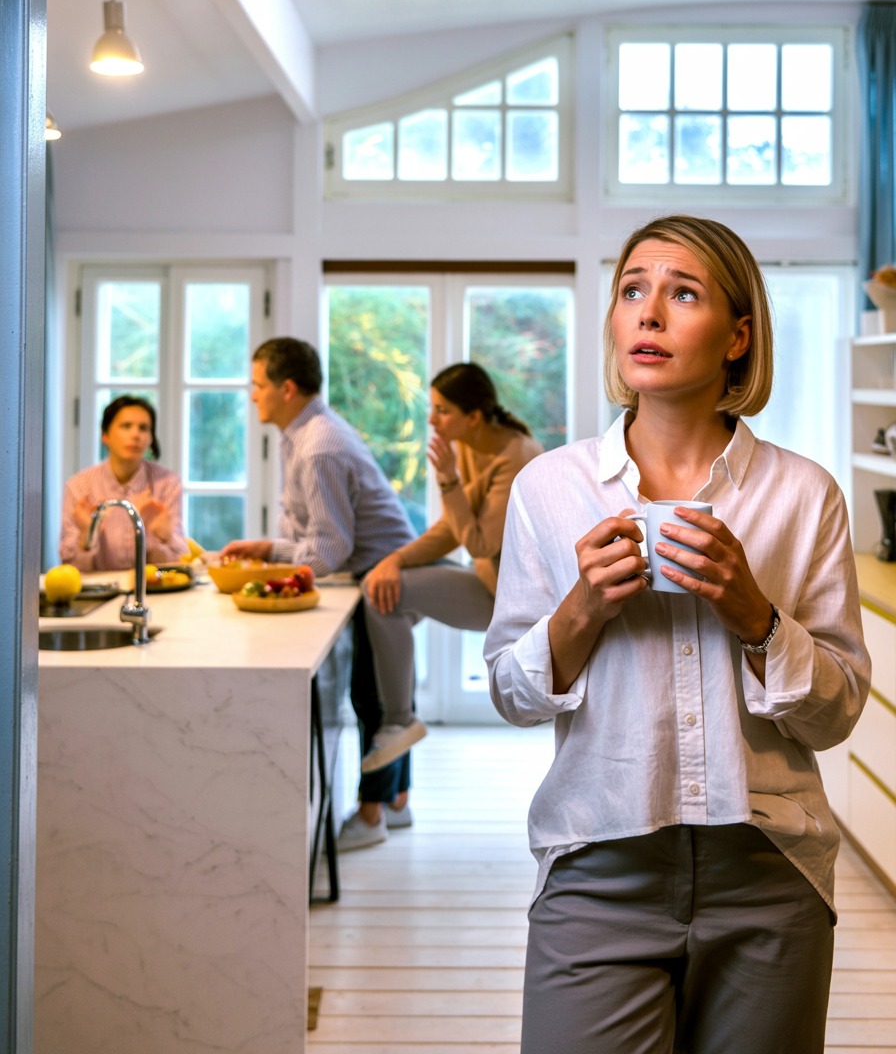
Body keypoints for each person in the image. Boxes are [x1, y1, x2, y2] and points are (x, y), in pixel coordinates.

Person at [484, 215, 871, 1054]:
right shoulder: (549, 489)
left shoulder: (805, 496)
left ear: (737, 337)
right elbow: (511, 696)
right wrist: (581, 610)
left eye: (681, 293)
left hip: (771, 874)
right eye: (632, 290)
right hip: (595, 866)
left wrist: (755, 616)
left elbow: (835, 716)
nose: (647, 313)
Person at [219, 337, 418, 851]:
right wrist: (268, 548)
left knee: (373, 697)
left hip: (380, 577)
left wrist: (264, 571)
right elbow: (321, 538)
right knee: (385, 691)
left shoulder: (317, 445)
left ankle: (371, 816)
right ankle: (395, 803)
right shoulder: (306, 433)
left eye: (258, 384)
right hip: (374, 571)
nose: (251, 394)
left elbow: (329, 549)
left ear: (286, 388)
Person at [359, 362, 543, 777]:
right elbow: (452, 528)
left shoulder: (515, 457)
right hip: (485, 578)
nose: (431, 419)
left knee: (380, 596)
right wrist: (396, 559)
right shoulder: (468, 443)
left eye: (442, 410)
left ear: (473, 416)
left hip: (509, 598)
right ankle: (397, 784)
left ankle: (399, 721)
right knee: (387, 591)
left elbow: (479, 542)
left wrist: (446, 481)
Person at [60, 394, 187, 571]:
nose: (135, 434)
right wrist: (87, 536)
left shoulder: (167, 484)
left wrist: (162, 537)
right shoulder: (79, 487)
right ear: (105, 435)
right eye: (126, 426)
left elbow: (179, 567)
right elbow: (72, 569)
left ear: (151, 439)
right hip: (99, 594)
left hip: (154, 592)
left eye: (143, 428)